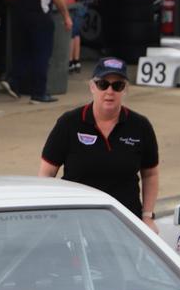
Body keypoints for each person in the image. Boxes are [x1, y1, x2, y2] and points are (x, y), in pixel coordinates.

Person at [37, 58, 158, 231]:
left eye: (117, 86)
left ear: (125, 90)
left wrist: (147, 217)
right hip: (76, 223)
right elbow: (46, 173)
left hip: (125, 223)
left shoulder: (140, 126)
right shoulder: (69, 123)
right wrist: (47, 215)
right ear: (92, 87)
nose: (110, 91)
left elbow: (150, 174)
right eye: (103, 84)